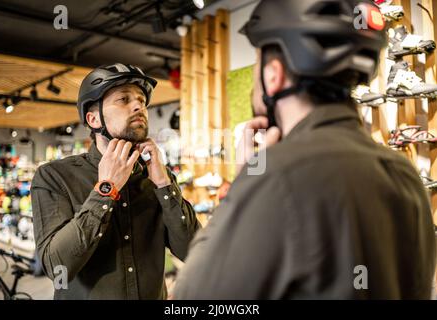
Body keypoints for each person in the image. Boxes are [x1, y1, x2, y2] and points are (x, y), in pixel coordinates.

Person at [174, 0, 436, 299]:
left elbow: (193, 299)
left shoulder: (276, 176)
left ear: (273, 76)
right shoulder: (404, 173)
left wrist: (244, 183)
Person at [31, 63, 200, 299]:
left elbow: (193, 253)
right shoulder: (55, 176)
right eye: (123, 99)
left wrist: (164, 184)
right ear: (93, 119)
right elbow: (57, 268)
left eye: (141, 100)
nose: (138, 106)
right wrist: (106, 189)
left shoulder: (157, 177)